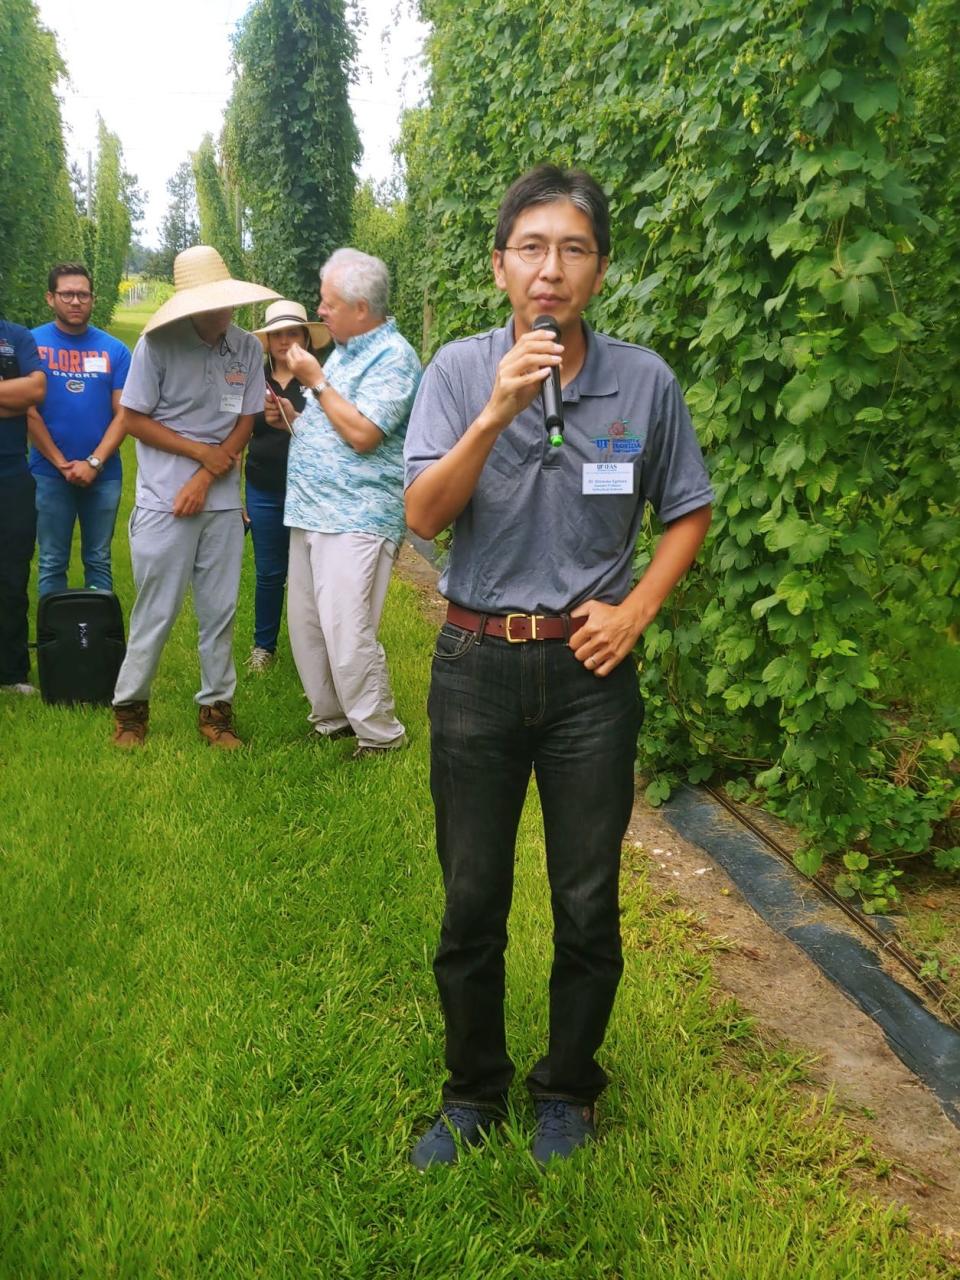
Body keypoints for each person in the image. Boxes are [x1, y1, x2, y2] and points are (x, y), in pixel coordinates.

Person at [403, 165, 714, 1168]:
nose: (551, 269)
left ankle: (568, 1091)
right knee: (472, 894)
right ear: (501, 266)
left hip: (588, 680)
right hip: (476, 663)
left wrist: (635, 609)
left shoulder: (643, 382)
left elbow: (687, 509)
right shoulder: (456, 371)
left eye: (573, 248)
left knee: (587, 896)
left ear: (600, 268)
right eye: (532, 248)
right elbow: (422, 517)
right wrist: (495, 411)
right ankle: (472, 1088)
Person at [110, 245, 278, 748]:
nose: (223, 311)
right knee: (156, 609)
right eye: (211, 302)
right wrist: (199, 456)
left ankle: (216, 711)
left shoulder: (247, 347)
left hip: (222, 502)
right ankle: (130, 711)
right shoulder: (156, 345)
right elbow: (134, 418)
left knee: (219, 610)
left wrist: (208, 474)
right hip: (165, 499)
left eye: (226, 301)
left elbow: (247, 419)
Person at [267, 248, 421, 756]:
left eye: (328, 302)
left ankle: (380, 734)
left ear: (360, 306)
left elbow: (363, 434)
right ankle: (332, 719)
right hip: (311, 510)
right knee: (307, 627)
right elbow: (333, 419)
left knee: (348, 630)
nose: (321, 310)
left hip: (356, 516)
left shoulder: (394, 357)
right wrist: (293, 415)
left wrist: (315, 380)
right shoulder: (345, 352)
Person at [28, 262, 131, 596]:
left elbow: (124, 414)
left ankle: (98, 645)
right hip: (47, 473)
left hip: (104, 475)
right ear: (50, 298)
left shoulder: (115, 350)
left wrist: (95, 463)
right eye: (67, 294)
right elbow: (28, 411)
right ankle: (53, 644)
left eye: (82, 295)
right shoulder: (31, 345)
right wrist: (60, 462)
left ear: (93, 299)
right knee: (51, 562)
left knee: (99, 561)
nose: (75, 301)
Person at [245, 300, 329, 673]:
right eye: (276, 334)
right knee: (269, 572)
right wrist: (237, 496)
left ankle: (314, 647)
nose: (283, 341)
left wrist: (295, 421)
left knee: (311, 575)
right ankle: (264, 647)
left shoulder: (322, 380)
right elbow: (237, 437)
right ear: (267, 341)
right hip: (263, 488)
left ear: (306, 338)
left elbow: (334, 439)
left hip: (311, 491)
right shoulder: (252, 377)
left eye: (291, 332)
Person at [0, 317, 46, 693]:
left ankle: (12, 672)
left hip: (11, 474)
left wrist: (21, 394)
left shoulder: (16, 336)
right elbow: (19, 394)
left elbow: (35, 390)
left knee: (12, 576)